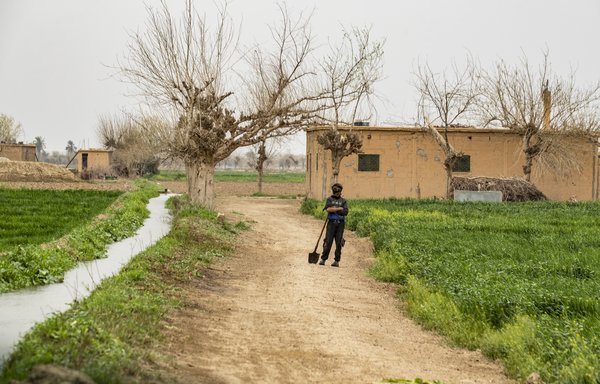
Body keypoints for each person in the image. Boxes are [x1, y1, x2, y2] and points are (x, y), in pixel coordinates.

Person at [319, 182, 348, 267]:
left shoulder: (344, 201)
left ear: (340, 191)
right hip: (331, 223)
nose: (337, 193)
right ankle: (323, 259)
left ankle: (336, 261)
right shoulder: (329, 199)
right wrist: (339, 208)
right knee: (328, 242)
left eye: (338, 191)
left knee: (339, 243)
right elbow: (328, 209)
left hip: (340, 224)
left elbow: (345, 212)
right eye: (335, 191)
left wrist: (333, 209)